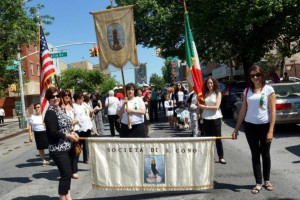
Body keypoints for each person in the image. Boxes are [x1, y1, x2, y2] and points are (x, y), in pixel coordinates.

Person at [232, 64, 276, 194]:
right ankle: (258, 182)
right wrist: (236, 129)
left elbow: (273, 111)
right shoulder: (247, 91)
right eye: (252, 75)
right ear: (249, 77)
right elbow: (243, 111)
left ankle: (266, 180)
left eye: (257, 74)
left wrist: (271, 130)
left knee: (265, 154)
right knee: (255, 155)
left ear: (262, 75)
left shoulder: (268, 89)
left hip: (265, 126)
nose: (255, 77)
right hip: (250, 126)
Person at [44, 87, 79, 200]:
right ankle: (62, 197)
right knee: (66, 174)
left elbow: (67, 125)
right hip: (57, 149)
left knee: (68, 174)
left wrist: (73, 132)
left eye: (57, 96)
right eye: (52, 96)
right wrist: (68, 136)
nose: (56, 98)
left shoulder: (59, 109)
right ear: (48, 99)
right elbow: (53, 132)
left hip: (66, 146)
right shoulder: (50, 113)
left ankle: (67, 196)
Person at [198, 76, 225, 164]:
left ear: (214, 84)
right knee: (208, 138)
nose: (209, 84)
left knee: (218, 138)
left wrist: (204, 107)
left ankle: (221, 157)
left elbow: (216, 107)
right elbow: (199, 103)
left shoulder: (218, 93)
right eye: (208, 83)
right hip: (206, 117)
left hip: (215, 118)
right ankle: (210, 156)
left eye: (211, 83)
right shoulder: (204, 93)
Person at [60, 89, 80, 179]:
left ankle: (74, 171)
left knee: (76, 152)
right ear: (62, 97)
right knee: (67, 153)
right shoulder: (60, 108)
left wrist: (73, 122)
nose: (67, 96)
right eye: (65, 95)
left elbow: (77, 118)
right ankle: (68, 171)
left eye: (68, 95)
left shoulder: (73, 106)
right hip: (66, 133)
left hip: (75, 131)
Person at [73, 91, 93, 164]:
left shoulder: (84, 104)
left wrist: (91, 113)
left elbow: (88, 112)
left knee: (86, 143)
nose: (83, 99)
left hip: (87, 126)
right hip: (79, 128)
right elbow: (78, 117)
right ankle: (75, 159)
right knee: (78, 145)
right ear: (78, 99)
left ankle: (86, 158)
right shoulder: (74, 106)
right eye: (82, 98)